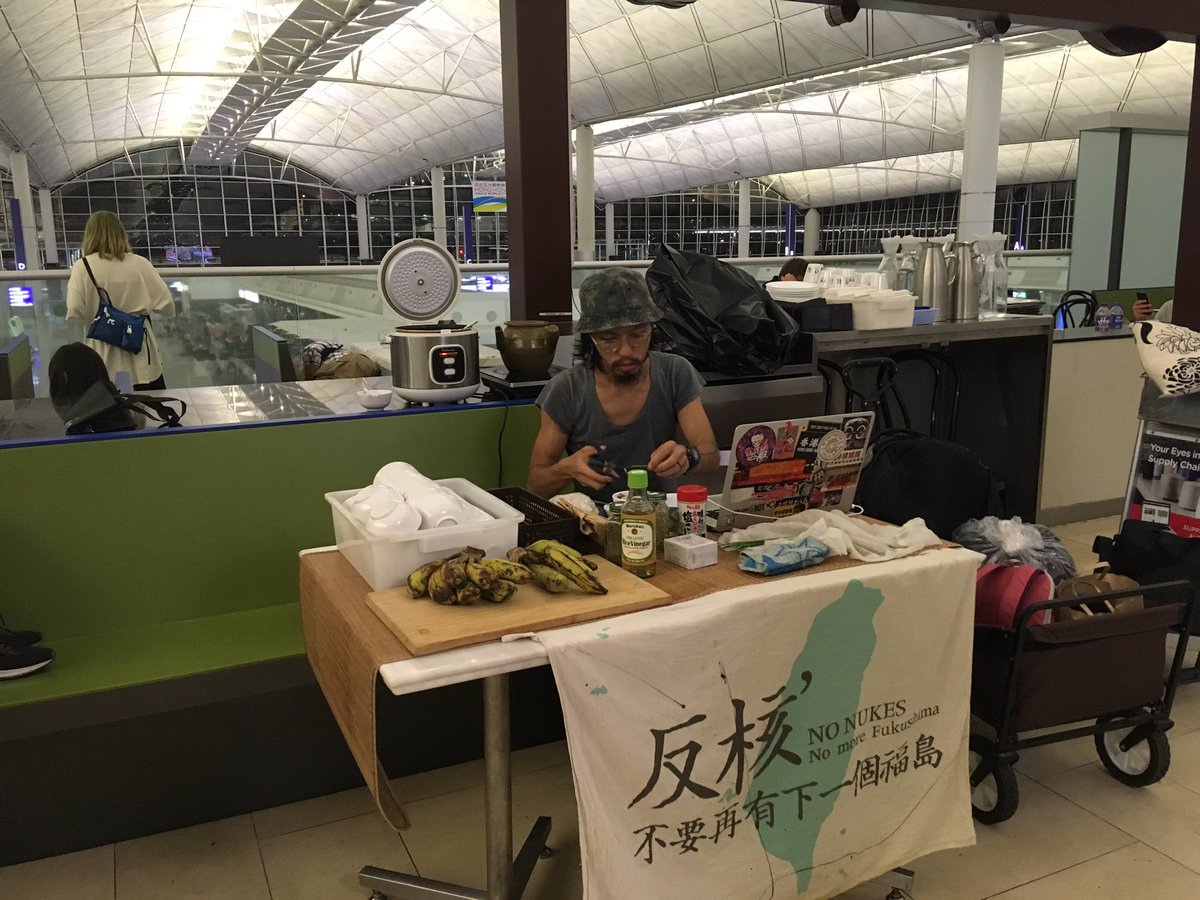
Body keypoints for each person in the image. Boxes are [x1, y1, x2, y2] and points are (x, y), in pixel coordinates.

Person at [528, 268, 720, 503]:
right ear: (591, 339)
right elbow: (535, 485)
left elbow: (711, 457)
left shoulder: (674, 373)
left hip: (660, 511)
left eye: (638, 334)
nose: (626, 351)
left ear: (652, 329)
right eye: (609, 338)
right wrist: (565, 470)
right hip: (595, 519)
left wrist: (688, 457)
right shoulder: (566, 389)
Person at [66, 211, 175, 390]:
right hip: (139, 346)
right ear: (121, 233)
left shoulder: (83, 266)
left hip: (103, 349)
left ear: (90, 235)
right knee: (148, 401)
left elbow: (74, 309)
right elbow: (167, 305)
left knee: (112, 400)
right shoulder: (140, 263)